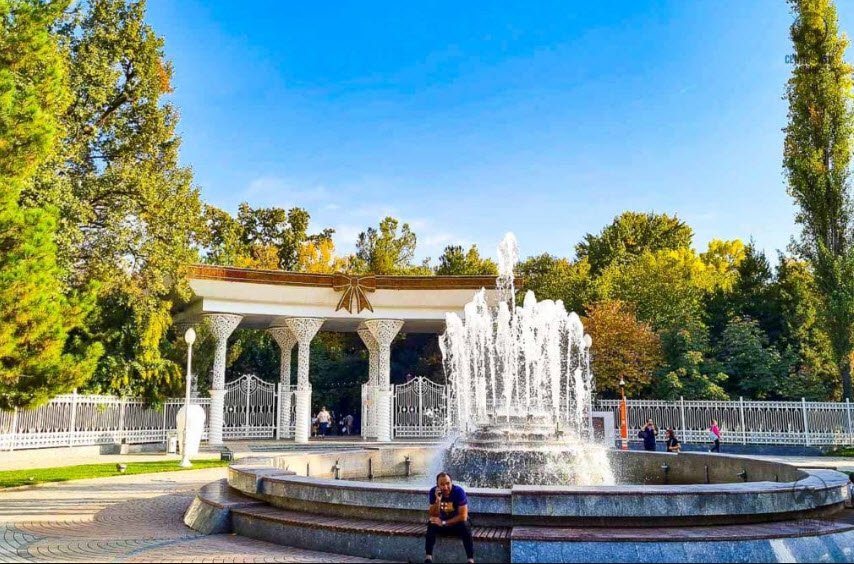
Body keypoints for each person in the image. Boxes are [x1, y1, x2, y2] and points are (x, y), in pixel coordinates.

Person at [425, 472, 474, 564]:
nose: (445, 487)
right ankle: (428, 558)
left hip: (456, 525)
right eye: (442, 484)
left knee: (465, 525)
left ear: (452, 482)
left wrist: (444, 523)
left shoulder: (459, 492)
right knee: (431, 523)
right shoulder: (433, 492)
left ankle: (470, 560)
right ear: (437, 485)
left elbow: (463, 516)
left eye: (448, 483)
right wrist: (438, 500)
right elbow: (433, 514)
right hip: (441, 526)